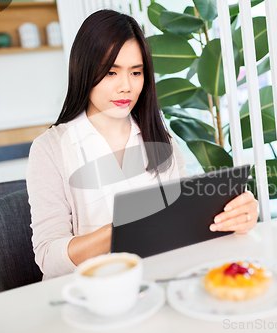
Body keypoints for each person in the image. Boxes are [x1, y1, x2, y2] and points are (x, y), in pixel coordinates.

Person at [26, 9, 259, 279]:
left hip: (158, 284)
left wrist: (234, 217)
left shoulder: (162, 140)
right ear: (85, 70)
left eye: (136, 73)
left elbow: (182, 229)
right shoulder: (50, 149)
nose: (126, 86)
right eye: (111, 72)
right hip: (93, 296)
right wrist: (122, 231)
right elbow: (48, 259)